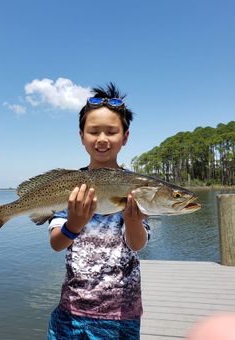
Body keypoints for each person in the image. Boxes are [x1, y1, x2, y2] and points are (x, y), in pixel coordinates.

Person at [47, 82, 150, 340]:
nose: (102, 139)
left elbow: (137, 244)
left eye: (111, 132)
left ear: (125, 137)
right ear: (81, 136)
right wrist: (74, 224)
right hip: (70, 312)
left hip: (120, 315)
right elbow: (56, 244)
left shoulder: (137, 188)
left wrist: (133, 220)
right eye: (93, 131)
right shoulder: (69, 185)